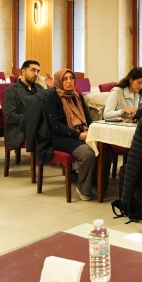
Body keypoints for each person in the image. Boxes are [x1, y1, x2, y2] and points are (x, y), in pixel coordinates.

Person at [42, 69, 97, 200]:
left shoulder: (77, 96)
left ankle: (97, 184)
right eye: (65, 79)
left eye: (71, 78)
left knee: (107, 149)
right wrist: (78, 135)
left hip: (81, 132)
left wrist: (91, 130)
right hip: (60, 137)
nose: (69, 82)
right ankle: (83, 188)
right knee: (87, 153)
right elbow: (55, 125)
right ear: (58, 81)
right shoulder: (52, 98)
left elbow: (88, 119)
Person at [3, 60, 51, 152]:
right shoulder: (11, 91)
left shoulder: (40, 88)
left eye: (38, 71)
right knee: (46, 132)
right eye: (33, 70)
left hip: (40, 125)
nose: (36, 74)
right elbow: (10, 116)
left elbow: (48, 107)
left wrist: (50, 88)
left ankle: (55, 155)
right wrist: (32, 118)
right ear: (23, 71)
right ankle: (45, 155)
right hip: (20, 129)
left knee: (57, 127)